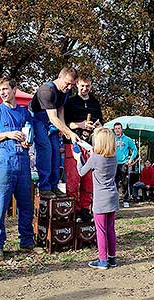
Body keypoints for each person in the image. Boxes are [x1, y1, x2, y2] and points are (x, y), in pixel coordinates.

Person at [0, 77, 34, 261]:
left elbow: (31, 134)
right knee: (0, 206)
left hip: (24, 162)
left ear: (14, 89)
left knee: (26, 205)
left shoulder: (24, 112)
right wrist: (7, 134)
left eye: (5, 89)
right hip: (5, 162)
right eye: (0, 90)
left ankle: (27, 242)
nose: (3, 93)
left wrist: (29, 142)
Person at [29, 67, 79, 199]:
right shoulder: (47, 90)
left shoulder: (66, 91)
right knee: (46, 149)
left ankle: (54, 185)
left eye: (72, 85)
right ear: (60, 77)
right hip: (38, 120)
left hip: (52, 123)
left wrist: (61, 128)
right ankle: (44, 187)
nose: (69, 87)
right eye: (67, 83)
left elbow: (60, 109)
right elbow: (52, 117)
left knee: (56, 151)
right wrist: (69, 131)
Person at [73, 127, 119, 270]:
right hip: (112, 196)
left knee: (100, 230)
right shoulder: (114, 157)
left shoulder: (94, 159)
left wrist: (77, 159)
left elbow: (81, 172)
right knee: (110, 228)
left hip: (100, 199)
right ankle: (112, 258)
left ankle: (102, 260)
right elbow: (99, 157)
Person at [64, 72, 103, 222]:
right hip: (73, 144)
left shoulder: (95, 102)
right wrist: (80, 125)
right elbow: (66, 125)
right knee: (73, 181)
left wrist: (97, 125)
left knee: (89, 181)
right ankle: (72, 210)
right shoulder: (70, 101)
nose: (84, 88)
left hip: (91, 146)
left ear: (91, 86)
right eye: (82, 86)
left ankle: (85, 210)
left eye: (87, 86)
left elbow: (101, 122)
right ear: (77, 85)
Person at [113, 122, 138, 208]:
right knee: (114, 182)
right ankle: (115, 201)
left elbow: (135, 150)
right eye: (115, 128)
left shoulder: (127, 139)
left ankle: (126, 200)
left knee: (124, 182)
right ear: (114, 130)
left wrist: (131, 159)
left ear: (121, 129)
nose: (117, 130)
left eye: (118, 128)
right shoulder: (111, 139)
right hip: (113, 163)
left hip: (124, 163)